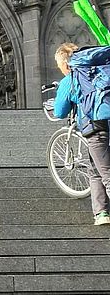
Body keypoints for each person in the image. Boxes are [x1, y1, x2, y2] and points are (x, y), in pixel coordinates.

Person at [53, 42, 110, 225]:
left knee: (107, 173)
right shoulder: (101, 69)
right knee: (94, 168)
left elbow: (60, 112)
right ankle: (101, 212)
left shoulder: (70, 79)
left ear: (65, 64)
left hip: (95, 127)